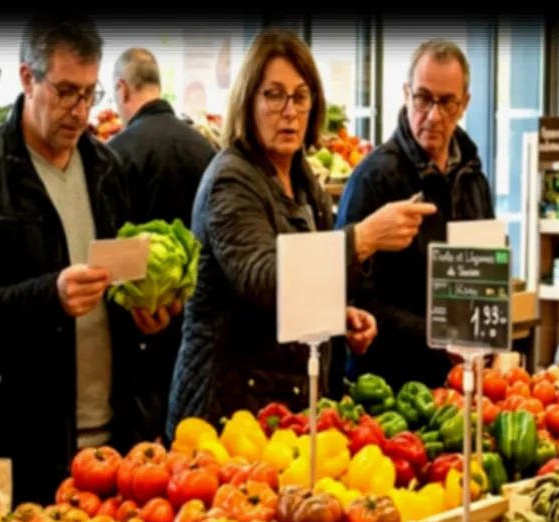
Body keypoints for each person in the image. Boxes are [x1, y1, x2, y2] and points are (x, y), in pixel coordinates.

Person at [166, 30, 409, 435]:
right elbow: (262, 278)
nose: (289, 111)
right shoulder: (231, 178)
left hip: (283, 408)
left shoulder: (302, 177)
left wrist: (336, 317)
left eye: (300, 96)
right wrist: (362, 238)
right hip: (227, 415)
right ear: (248, 100)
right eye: (274, 95)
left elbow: (304, 276)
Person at [0, 14, 157, 506]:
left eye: (90, 94)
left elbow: (121, 285)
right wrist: (51, 296)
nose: (80, 111)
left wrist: (148, 313)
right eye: (66, 91)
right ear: (27, 77)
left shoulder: (108, 168)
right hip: (25, 449)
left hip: (115, 442)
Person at [335, 39, 494, 391]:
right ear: (406, 95)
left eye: (447, 102)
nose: (434, 115)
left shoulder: (474, 180)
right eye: (423, 99)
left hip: (456, 387)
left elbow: (486, 276)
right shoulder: (373, 178)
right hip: (385, 389)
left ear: (464, 104)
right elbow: (350, 297)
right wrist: (439, 336)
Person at [106, 47, 217, 440]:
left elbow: (107, 254)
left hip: (138, 333)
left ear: (121, 89)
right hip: (195, 330)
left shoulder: (114, 156)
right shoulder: (207, 150)